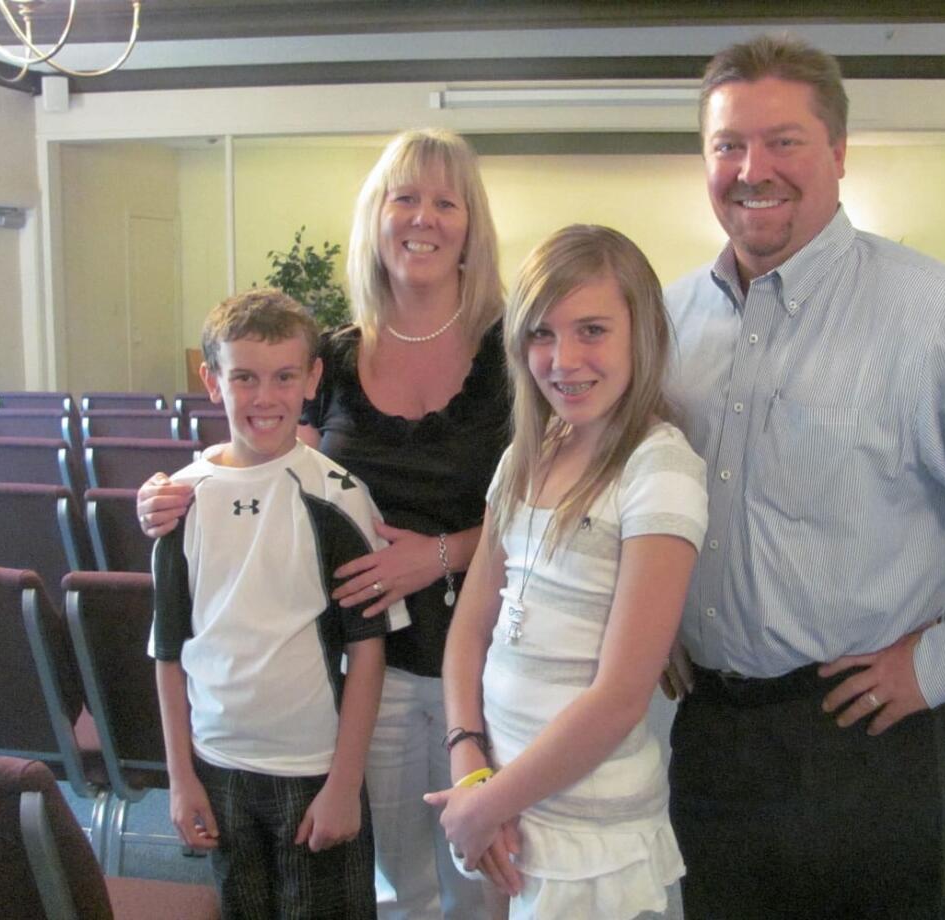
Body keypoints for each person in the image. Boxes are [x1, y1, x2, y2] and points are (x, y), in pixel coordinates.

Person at [664, 34, 945, 919]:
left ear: (837, 152)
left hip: (864, 734)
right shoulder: (670, 320)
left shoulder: (932, 316)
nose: (753, 168)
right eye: (728, 145)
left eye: (784, 140)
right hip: (711, 739)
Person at [138, 128, 508, 920]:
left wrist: (442, 556)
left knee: (482, 887)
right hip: (367, 666)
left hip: (484, 660)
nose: (423, 217)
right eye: (404, 197)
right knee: (395, 885)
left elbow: (545, 506)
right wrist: (172, 489)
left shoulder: (509, 356)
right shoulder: (334, 357)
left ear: (471, 224)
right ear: (377, 218)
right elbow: (266, 447)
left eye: (445, 201)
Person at [424, 224, 708, 919]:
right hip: (509, 808)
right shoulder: (529, 453)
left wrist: (485, 804)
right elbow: (470, 630)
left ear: (639, 334)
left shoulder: (658, 468)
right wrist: (471, 765)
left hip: (591, 836)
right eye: (542, 335)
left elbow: (619, 698)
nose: (563, 359)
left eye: (591, 330)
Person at [151, 288, 410, 919]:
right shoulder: (180, 503)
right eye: (244, 377)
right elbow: (168, 652)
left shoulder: (338, 495)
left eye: (284, 377)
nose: (264, 397)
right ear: (211, 381)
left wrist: (345, 784)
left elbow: (367, 652)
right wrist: (181, 777)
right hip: (217, 765)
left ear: (312, 379)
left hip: (313, 769)